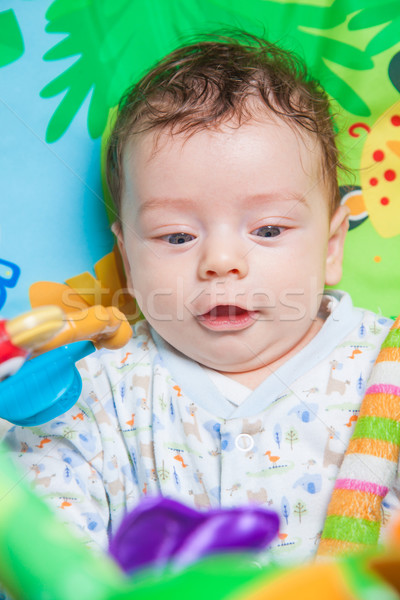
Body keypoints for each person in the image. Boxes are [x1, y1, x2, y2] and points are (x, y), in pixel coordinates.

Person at [3, 33, 396, 566]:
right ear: (127, 258)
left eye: (269, 229)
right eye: (177, 237)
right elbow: (45, 528)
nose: (221, 261)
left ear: (331, 247)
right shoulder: (100, 390)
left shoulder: (384, 366)